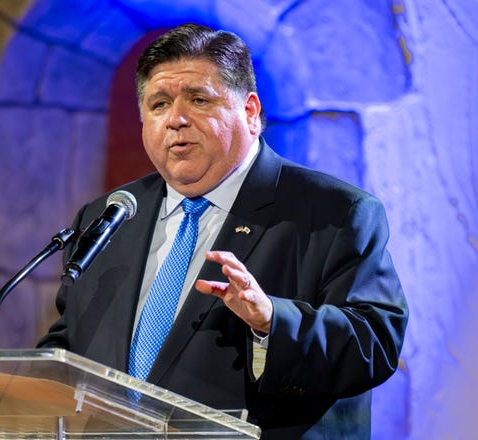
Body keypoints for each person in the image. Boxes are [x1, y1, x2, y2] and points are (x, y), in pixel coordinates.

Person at [37, 23, 408, 439]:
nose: (175, 119)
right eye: (158, 104)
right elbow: (73, 341)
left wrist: (271, 321)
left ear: (250, 112)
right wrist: (18, 383)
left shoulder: (335, 212)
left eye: (198, 99)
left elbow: (375, 343)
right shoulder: (111, 215)